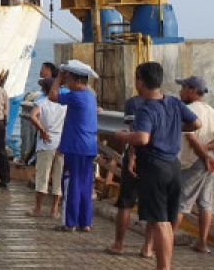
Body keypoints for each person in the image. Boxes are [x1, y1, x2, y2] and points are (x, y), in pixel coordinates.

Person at [114, 61, 205, 270]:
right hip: (173, 166)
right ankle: (161, 267)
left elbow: (143, 138)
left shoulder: (146, 108)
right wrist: (173, 128)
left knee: (160, 220)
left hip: (155, 166)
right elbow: (197, 123)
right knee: (165, 219)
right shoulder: (173, 102)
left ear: (140, 82)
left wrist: (124, 136)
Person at [176, 76, 214, 253]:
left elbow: (191, 136)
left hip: (193, 162)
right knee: (205, 203)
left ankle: (165, 242)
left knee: (181, 203)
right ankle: (202, 243)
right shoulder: (212, 111)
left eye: (183, 88)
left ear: (192, 90)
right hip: (208, 161)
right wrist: (208, 151)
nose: (180, 91)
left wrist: (204, 155)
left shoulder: (188, 110)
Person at [56, 59, 99, 232]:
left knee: (71, 183)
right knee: (85, 184)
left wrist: (58, 78)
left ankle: (70, 222)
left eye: (69, 79)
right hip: (89, 146)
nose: (67, 82)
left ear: (75, 80)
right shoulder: (90, 96)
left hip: (75, 147)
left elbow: (53, 95)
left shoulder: (75, 96)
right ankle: (85, 222)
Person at [106, 94, 144, 256]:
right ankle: (148, 247)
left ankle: (119, 244)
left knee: (126, 202)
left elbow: (134, 129)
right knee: (152, 205)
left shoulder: (134, 102)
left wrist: (132, 156)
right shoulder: (165, 102)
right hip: (157, 157)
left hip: (136, 155)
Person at [29, 77, 66, 218]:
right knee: (58, 176)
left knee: (42, 177)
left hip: (46, 142)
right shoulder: (64, 104)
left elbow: (33, 116)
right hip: (61, 141)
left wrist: (42, 130)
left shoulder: (42, 102)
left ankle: (38, 208)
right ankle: (54, 210)